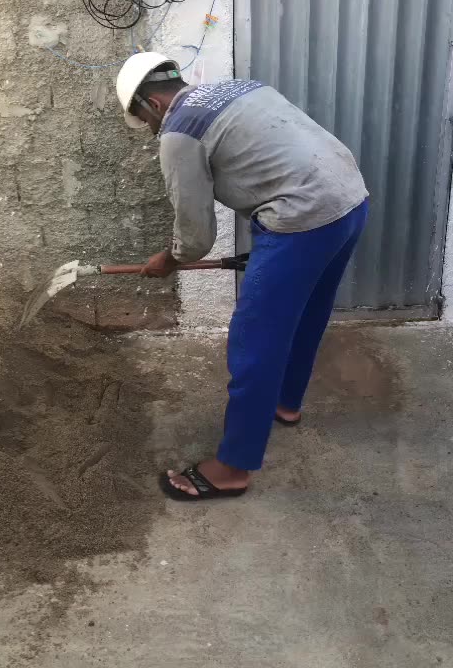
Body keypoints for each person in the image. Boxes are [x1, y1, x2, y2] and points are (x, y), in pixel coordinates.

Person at [116, 52, 368, 502]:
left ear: (152, 105)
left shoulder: (179, 132)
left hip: (301, 219)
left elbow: (195, 237)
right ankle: (285, 403)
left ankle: (232, 469)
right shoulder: (240, 88)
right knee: (308, 314)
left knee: (254, 344)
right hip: (349, 200)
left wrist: (168, 260)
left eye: (146, 122)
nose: (152, 132)